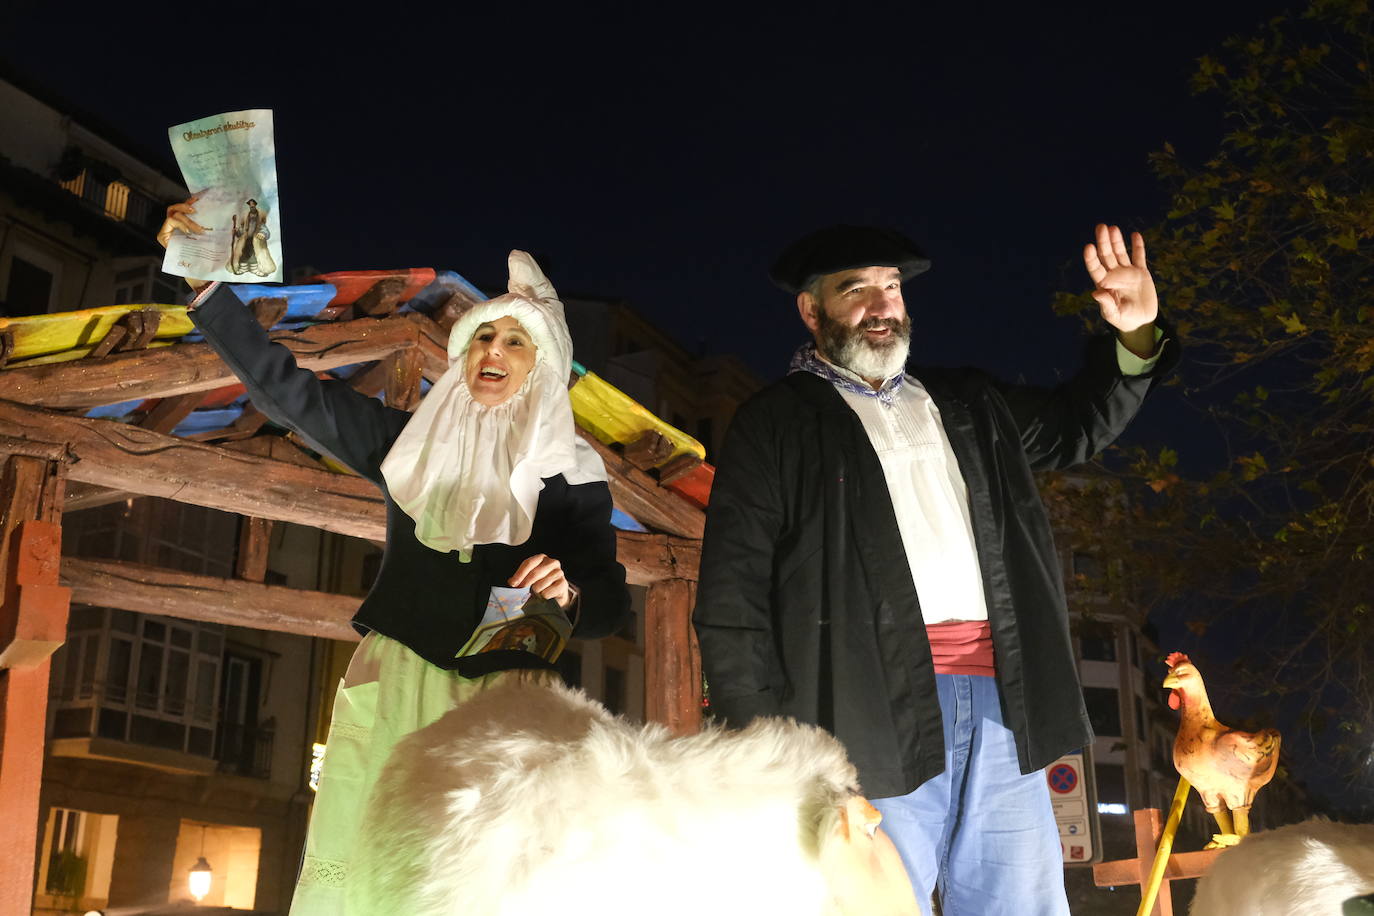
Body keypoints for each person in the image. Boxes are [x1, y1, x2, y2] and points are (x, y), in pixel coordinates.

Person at [158, 200, 630, 915]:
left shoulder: (573, 477)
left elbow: (611, 607)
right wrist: (206, 292)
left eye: (514, 342)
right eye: (481, 339)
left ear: (543, 366)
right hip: (392, 684)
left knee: (477, 880)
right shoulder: (407, 445)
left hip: (499, 707)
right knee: (368, 861)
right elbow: (290, 397)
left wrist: (569, 589)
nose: (492, 353)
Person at [693, 223, 1174, 916]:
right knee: (874, 905)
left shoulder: (970, 404)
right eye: (856, 290)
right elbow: (731, 599)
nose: (882, 304)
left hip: (1007, 711)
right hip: (861, 718)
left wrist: (1136, 335)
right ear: (811, 311)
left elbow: (1080, 425)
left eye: (890, 286)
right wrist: (763, 742)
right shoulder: (776, 424)